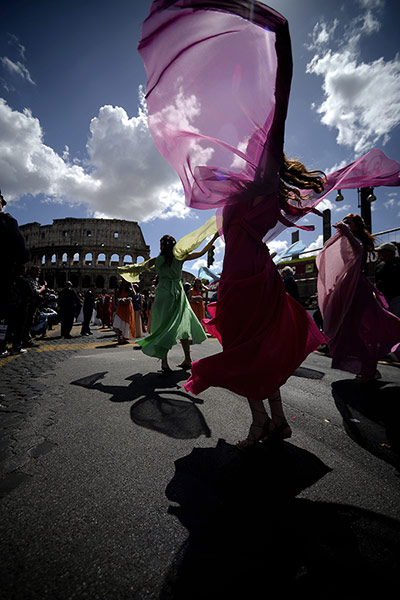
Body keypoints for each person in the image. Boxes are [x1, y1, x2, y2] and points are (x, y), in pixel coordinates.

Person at [138, 0, 400, 446]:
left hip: (252, 278)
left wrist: (276, 33)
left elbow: (276, 107)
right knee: (251, 351)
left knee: (244, 351)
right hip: (239, 277)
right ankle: (274, 420)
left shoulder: (261, 181)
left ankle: (262, 422)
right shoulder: (237, 194)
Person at [316, 214, 400, 381]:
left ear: (356, 227)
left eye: (349, 223)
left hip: (357, 289)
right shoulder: (346, 241)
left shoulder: (356, 242)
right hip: (347, 288)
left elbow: (359, 249)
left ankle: (370, 369)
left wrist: (346, 231)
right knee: (350, 329)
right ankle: (368, 369)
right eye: (345, 222)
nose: (345, 224)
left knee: (362, 327)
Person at [134, 233, 218, 373]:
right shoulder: (180, 257)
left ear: (161, 246)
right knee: (182, 324)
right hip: (177, 294)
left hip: (163, 295)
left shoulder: (156, 260)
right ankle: (187, 359)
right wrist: (214, 238)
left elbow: (138, 268)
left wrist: (124, 271)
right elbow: (201, 252)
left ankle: (165, 363)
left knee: (162, 327)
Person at [375, 242, 400, 317]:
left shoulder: (398, 263)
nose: (379, 253)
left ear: (389, 252)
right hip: (382, 298)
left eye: (381, 251)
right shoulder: (379, 265)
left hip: (396, 298)